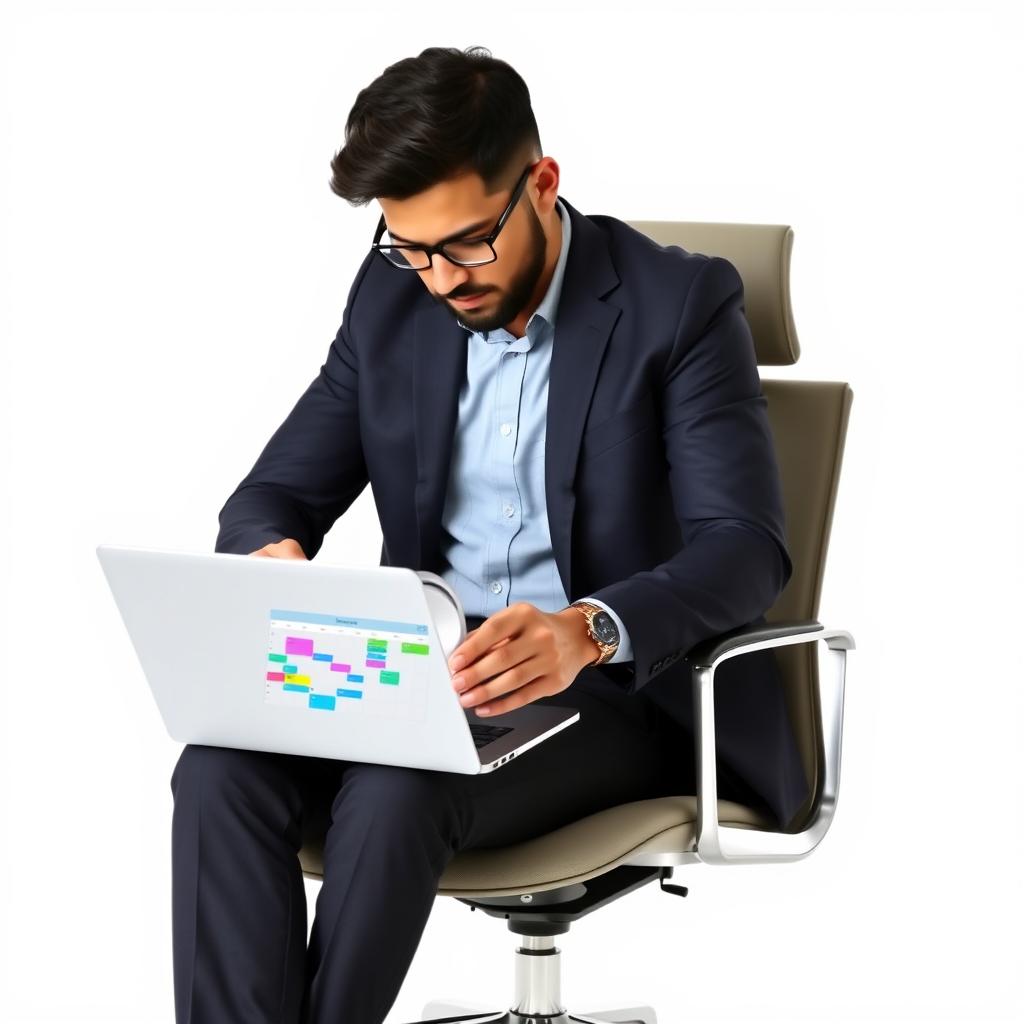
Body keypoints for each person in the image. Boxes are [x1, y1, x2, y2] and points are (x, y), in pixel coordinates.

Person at [169, 45, 808, 1024]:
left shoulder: (677, 306)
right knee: (218, 771)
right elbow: (272, 494)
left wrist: (585, 628)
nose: (437, 279)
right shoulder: (395, 297)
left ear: (542, 184)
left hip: (614, 697)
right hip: (419, 685)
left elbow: (744, 547)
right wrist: (272, 560)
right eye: (409, 248)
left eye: (465, 243)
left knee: (399, 781)